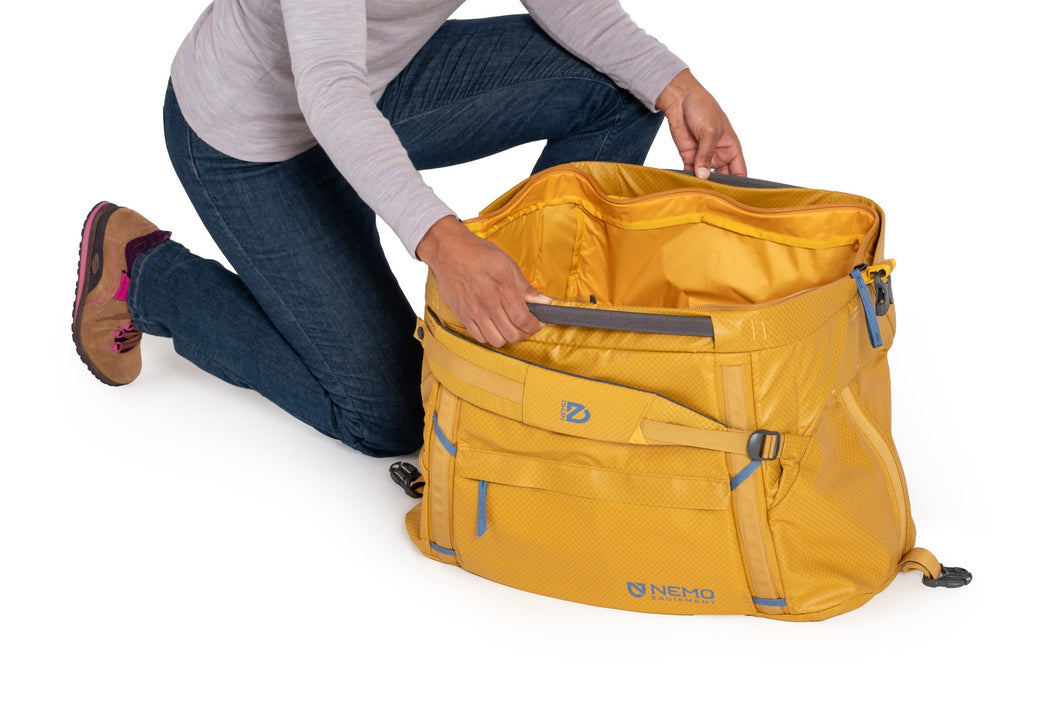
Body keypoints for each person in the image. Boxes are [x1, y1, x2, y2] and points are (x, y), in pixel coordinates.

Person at [72, 0, 746, 459]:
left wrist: (677, 85)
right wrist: (443, 242)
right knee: (391, 414)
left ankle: (521, 341)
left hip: (378, 85)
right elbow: (327, 87)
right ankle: (147, 275)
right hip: (254, 141)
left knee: (626, 87)